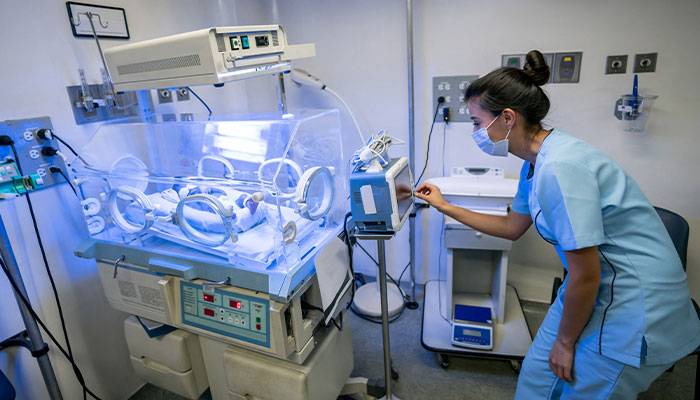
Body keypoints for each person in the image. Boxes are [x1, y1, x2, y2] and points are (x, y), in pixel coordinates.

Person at [415, 50, 700, 399]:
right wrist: (444, 205)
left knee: (579, 385)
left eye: (476, 122)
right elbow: (512, 227)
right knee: (536, 383)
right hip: (589, 289)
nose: (475, 132)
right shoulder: (534, 162)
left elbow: (586, 275)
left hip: (631, 307)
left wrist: (566, 343)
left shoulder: (560, 167)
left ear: (508, 117)